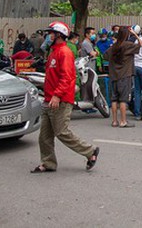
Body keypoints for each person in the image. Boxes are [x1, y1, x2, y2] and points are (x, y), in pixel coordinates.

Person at [30, 21, 99, 173]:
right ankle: (48, 163)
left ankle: (90, 151)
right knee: (44, 136)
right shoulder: (53, 52)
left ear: (59, 35)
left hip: (60, 100)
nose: (48, 36)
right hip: (49, 99)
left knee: (62, 132)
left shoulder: (65, 52)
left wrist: (56, 96)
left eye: (51, 33)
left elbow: (67, 77)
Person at [104, 27, 142, 128]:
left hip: (113, 75)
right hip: (125, 75)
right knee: (123, 99)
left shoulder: (114, 46)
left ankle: (114, 121)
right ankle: (123, 121)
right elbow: (141, 44)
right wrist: (135, 34)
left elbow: (105, 56)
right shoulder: (128, 45)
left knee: (114, 99)